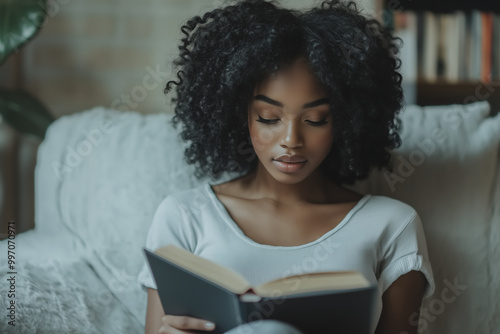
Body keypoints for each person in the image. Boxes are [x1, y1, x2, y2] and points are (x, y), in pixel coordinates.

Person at [137, 0, 435, 333]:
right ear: (239, 114)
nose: (291, 139)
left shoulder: (392, 224)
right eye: (269, 117)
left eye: (315, 119)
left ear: (347, 120)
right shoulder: (184, 216)